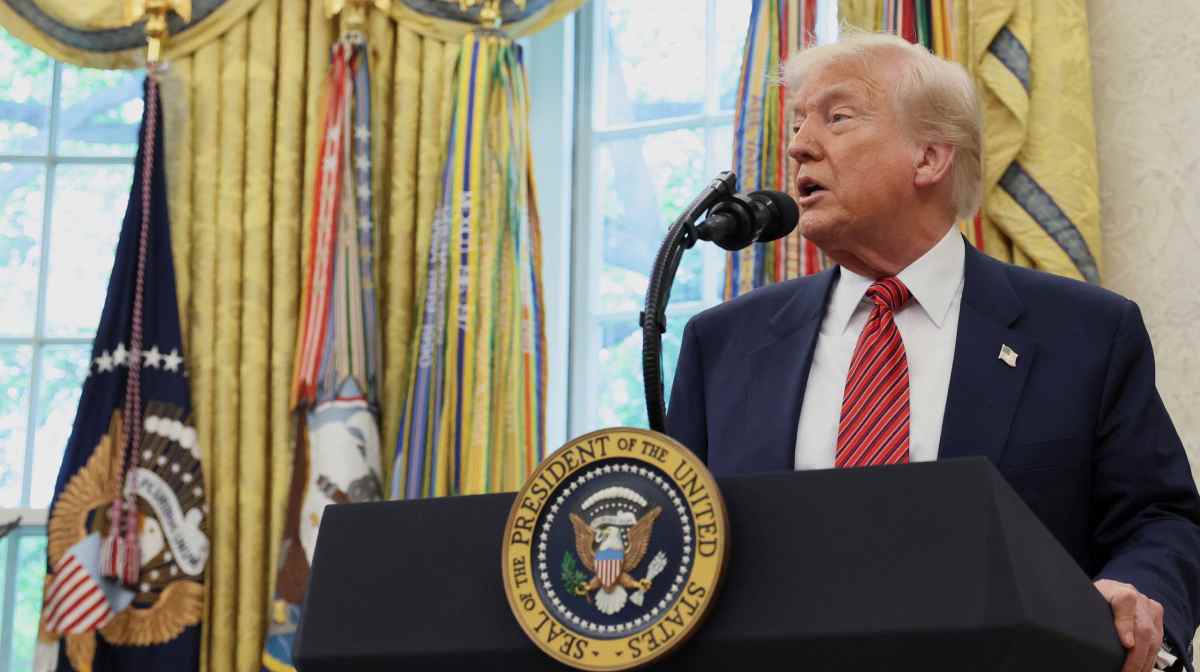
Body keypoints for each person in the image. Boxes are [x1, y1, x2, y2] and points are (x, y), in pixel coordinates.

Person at [666, 31, 1200, 672]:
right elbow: (680, 547)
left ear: (929, 158)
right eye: (799, 122)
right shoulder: (724, 344)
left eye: (836, 117)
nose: (799, 144)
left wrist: (1138, 595)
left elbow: (1161, 518)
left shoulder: (1085, 332)